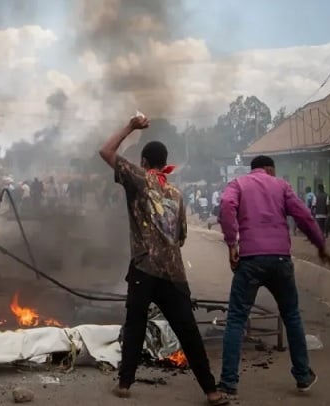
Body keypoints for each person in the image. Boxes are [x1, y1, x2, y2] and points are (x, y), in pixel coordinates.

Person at [99, 115, 228, 405]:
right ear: (164, 162)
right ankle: (211, 390)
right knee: (188, 331)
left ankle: (125, 384)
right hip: (173, 272)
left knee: (135, 324)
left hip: (144, 268)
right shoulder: (177, 194)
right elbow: (181, 237)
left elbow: (105, 152)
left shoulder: (137, 178)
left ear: (144, 162)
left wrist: (130, 126)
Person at [217, 155, 330, 399]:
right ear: (270, 169)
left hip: (249, 260)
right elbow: (303, 216)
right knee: (291, 315)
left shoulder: (238, 184)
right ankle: (302, 376)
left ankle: (229, 382)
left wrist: (231, 243)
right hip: (280, 259)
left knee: (237, 318)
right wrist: (320, 245)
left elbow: (226, 205)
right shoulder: (281, 186)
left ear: (253, 169)